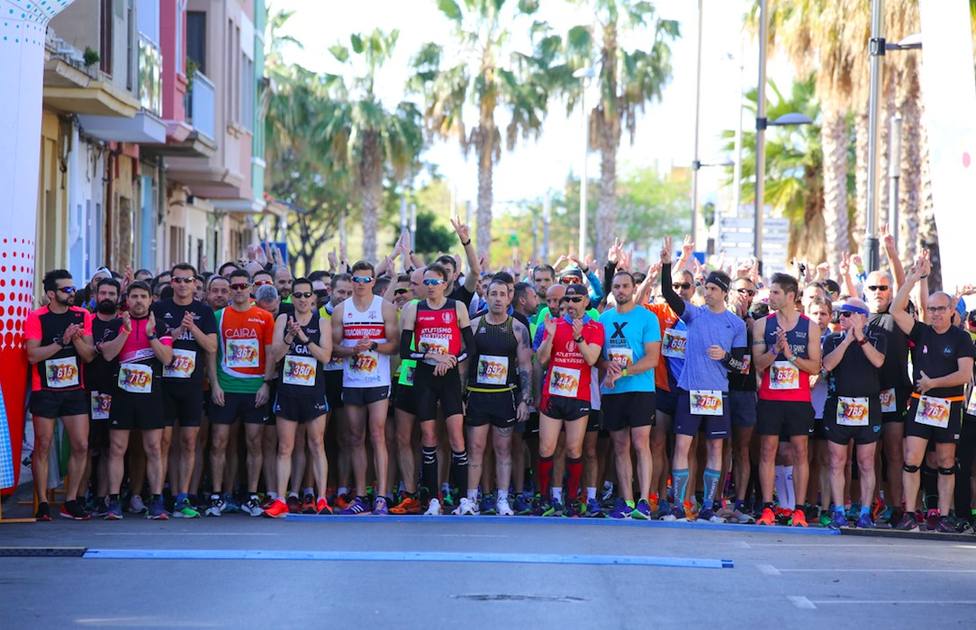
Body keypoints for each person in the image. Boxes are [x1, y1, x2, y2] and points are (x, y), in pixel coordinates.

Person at [660, 239, 747, 523]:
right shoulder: (693, 315)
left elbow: (741, 366)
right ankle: (678, 506)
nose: (706, 293)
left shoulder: (736, 324)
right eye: (705, 288)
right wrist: (666, 265)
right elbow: (668, 294)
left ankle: (709, 506)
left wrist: (724, 357)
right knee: (683, 446)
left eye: (712, 289)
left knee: (715, 448)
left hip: (717, 394)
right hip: (690, 391)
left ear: (723, 292)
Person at [891, 257, 975, 532]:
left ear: (952, 310)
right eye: (931, 309)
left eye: (941, 308)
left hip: (949, 405)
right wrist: (914, 277)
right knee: (912, 458)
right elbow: (895, 309)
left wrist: (933, 383)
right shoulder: (922, 331)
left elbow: (964, 375)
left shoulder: (961, 338)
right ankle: (911, 513)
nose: (936, 313)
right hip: (921, 404)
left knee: (946, 462)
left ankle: (942, 515)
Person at [399, 263, 475, 515]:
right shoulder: (414, 309)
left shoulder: (457, 307)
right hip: (424, 378)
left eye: (435, 282)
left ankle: (465, 499)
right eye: (427, 282)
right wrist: (431, 357)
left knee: (456, 437)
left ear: (445, 284)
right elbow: (404, 351)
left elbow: (470, 348)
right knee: (428, 437)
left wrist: (451, 360)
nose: (430, 287)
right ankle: (433, 499)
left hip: (450, 378)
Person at [25, 270, 96, 520]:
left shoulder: (82, 315)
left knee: (81, 445)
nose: (72, 292)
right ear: (51, 294)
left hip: (74, 390)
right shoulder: (37, 317)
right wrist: (60, 341)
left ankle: (71, 500)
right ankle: (43, 502)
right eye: (66, 289)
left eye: (73, 288)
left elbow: (88, 355)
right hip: (44, 389)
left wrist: (75, 340)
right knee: (43, 445)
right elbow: (32, 356)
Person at [753, 272, 822, 527]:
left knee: (800, 452)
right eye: (770, 292)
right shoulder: (763, 325)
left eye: (775, 292)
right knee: (767, 450)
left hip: (798, 399)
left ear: (790, 296)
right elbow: (758, 364)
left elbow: (815, 367)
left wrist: (791, 356)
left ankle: (799, 509)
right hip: (771, 398)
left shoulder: (809, 326)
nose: (770, 296)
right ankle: (768, 508)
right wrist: (774, 350)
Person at [331, 261, 399, 515]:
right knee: (355, 437)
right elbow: (333, 348)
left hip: (378, 381)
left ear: (373, 281)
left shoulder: (385, 308)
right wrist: (352, 350)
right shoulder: (341, 310)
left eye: (365, 280)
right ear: (351, 281)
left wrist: (372, 347)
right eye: (356, 280)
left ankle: (381, 495)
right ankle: (360, 495)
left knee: (378, 435)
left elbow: (395, 346)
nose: (360, 285)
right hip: (352, 381)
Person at [207, 269, 276, 517]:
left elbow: (270, 353)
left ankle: (252, 495)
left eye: (242, 286)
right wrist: (214, 384)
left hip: (254, 389)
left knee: (254, 443)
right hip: (226, 388)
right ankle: (216, 495)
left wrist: (266, 384)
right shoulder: (218, 316)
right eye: (233, 287)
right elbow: (211, 354)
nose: (238, 291)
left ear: (250, 288)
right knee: (218, 443)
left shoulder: (264, 317)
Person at [151, 263, 218, 518]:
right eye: (177, 280)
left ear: (194, 284)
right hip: (164, 385)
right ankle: (160, 495)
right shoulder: (159, 309)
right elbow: (153, 339)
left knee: (189, 442)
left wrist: (193, 329)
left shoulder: (203, 311)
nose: (182, 285)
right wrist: (176, 332)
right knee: (164, 443)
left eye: (187, 280)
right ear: (171, 283)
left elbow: (211, 347)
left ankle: (183, 495)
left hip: (191, 386)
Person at [264, 278, 334, 517]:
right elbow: (275, 356)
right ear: (291, 298)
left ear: (313, 298)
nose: (303, 300)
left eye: (307, 295)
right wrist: (289, 338)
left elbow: (325, 357)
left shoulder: (322, 323)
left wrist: (304, 339)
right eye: (298, 295)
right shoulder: (283, 320)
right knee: (285, 446)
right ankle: (281, 499)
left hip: (313, 392)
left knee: (316, 444)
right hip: (288, 391)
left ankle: (322, 498)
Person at [104, 281, 174, 520]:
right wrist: (124, 331)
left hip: (151, 394)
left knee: (153, 448)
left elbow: (166, 358)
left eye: (143, 296)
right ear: (127, 299)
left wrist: (151, 334)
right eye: (134, 296)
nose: (139, 301)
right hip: (122, 393)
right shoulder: (116, 323)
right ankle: (113, 501)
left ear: (150, 299)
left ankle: (156, 500)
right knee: (117, 448)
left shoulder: (161, 325)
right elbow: (109, 354)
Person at [464, 277, 533, 516]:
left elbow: (525, 366)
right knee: (476, 448)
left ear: (509, 298)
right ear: (486, 296)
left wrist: (525, 399)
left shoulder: (518, 328)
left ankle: (502, 499)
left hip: (505, 397)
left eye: (502, 294)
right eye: (493, 294)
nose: (497, 299)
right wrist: (461, 397)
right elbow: (465, 365)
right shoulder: (473, 325)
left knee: (503, 449)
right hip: (478, 396)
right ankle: (471, 499)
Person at [536, 284, 605, 517]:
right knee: (547, 447)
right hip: (553, 395)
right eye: (568, 300)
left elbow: (592, 359)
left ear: (586, 301)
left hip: (579, 397)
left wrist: (579, 337)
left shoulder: (595, 327)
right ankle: (545, 498)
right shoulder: (553, 324)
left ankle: (573, 499)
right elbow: (542, 361)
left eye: (576, 299)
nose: (572, 304)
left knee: (575, 449)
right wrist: (550, 338)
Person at [599, 270, 661, 519]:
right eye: (617, 286)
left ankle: (643, 501)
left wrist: (623, 372)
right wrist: (607, 367)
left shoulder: (648, 318)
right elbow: (597, 358)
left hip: (640, 389)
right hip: (612, 391)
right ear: (612, 289)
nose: (621, 290)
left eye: (625, 286)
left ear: (634, 288)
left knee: (640, 442)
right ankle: (626, 501)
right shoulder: (603, 319)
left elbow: (652, 358)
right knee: (620, 445)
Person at [821, 298, 887, 529]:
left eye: (849, 314)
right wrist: (848, 339)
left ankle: (865, 512)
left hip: (868, 407)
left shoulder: (878, 337)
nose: (843, 318)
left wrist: (860, 338)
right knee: (837, 461)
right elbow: (827, 365)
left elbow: (879, 361)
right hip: (839, 406)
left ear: (863, 317)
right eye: (841, 314)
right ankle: (839, 510)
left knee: (866, 462)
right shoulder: (832, 339)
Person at [864, 269, 912, 524]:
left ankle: (896, 507)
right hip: (865, 394)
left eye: (883, 288)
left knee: (894, 452)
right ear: (865, 291)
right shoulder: (859, 319)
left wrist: (892, 252)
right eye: (873, 288)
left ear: (891, 291)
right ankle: (870, 504)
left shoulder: (897, 316)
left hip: (895, 392)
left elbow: (905, 285)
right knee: (869, 454)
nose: (878, 293)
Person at [85, 277, 124, 517]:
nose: (107, 297)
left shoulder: (123, 324)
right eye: (103, 293)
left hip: (117, 392)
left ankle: (104, 497)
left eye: (112, 293)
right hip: (89, 391)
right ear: (96, 295)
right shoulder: (87, 322)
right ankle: (83, 495)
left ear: (118, 297)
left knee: (111, 448)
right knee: (89, 447)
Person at [726, 276, 759, 523]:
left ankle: (740, 500)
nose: (744, 295)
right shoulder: (721, 319)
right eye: (740, 290)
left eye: (749, 291)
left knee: (743, 449)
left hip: (746, 393)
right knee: (718, 447)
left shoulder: (755, 323)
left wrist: (747, 322)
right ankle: (717, 499)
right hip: (721, 390)